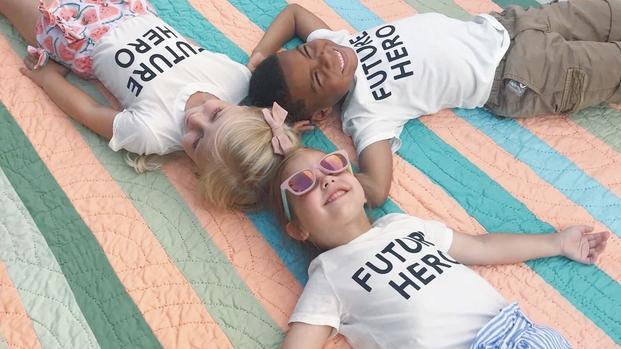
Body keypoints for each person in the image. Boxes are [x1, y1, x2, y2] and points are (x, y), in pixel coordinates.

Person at [248, 1, 621, 208]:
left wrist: (261, 52)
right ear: (321, 113)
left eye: (311, 50)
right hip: (522, 74)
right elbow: (377, 189)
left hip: (509, 24)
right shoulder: (367, 113)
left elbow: (294, 13)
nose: (327, 57)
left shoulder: (339, 42)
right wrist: (307, 171)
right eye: (318, 78)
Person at [270, 147, 610, 349]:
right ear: (299, 229)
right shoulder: (329, 274)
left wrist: (555, 242)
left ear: (359, 185)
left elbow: (482, 246)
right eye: (303, 183)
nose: (325, 179)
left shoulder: (403, 225)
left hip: (516, 334)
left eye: (331, 165)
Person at [0, 0, 303, 210]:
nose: (195, 119)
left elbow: (88, 111)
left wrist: (47, 80)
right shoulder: (236, 79)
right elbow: (191, 46)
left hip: (77, 35)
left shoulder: (153, 133)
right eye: (216, 112)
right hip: (129, 11)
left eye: (197, 142)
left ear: (197, 169)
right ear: (247, 108)